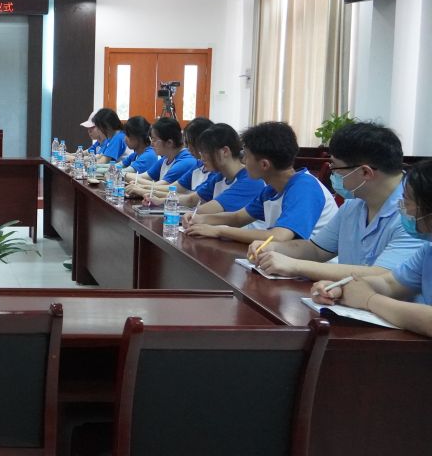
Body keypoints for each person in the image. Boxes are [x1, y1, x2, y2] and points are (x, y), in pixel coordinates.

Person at [251, 122, 422, 281]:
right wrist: (274, 248)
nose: (333, 174)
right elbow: (316, 250)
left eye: (335, 167)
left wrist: (295, 266)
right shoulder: (353, 205)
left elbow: (384, 275)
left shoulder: (416, 213)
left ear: (365, 173)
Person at [312, 159, 432, 337]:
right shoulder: (428, 250)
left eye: (407, 202)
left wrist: (369, 300)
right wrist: (341, 288)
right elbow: (391, 283)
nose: (402, 208)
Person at [184, 121, 337, 244]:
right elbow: (238, 218)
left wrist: (219, 230)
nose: (243, 161)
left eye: (247, 156)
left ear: (264, 164)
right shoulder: (272, 189)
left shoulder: (305, 187)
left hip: (318, 270)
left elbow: (279, 237)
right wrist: (201, 219)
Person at [173, 123, 265, 214]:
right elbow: (192, 200)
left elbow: (211, 209)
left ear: (225, 151)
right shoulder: (220, 177)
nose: (202, 158)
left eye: (205, 152)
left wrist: (188, 213)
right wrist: (166, 199)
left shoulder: (250, 180)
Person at [132, 117, 212, 204]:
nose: (188, 148)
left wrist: (142, 189)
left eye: (154, 140)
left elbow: (191, 198)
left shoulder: (187, 162)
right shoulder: (198, 164)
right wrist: (141, 188)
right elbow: (173, 188)